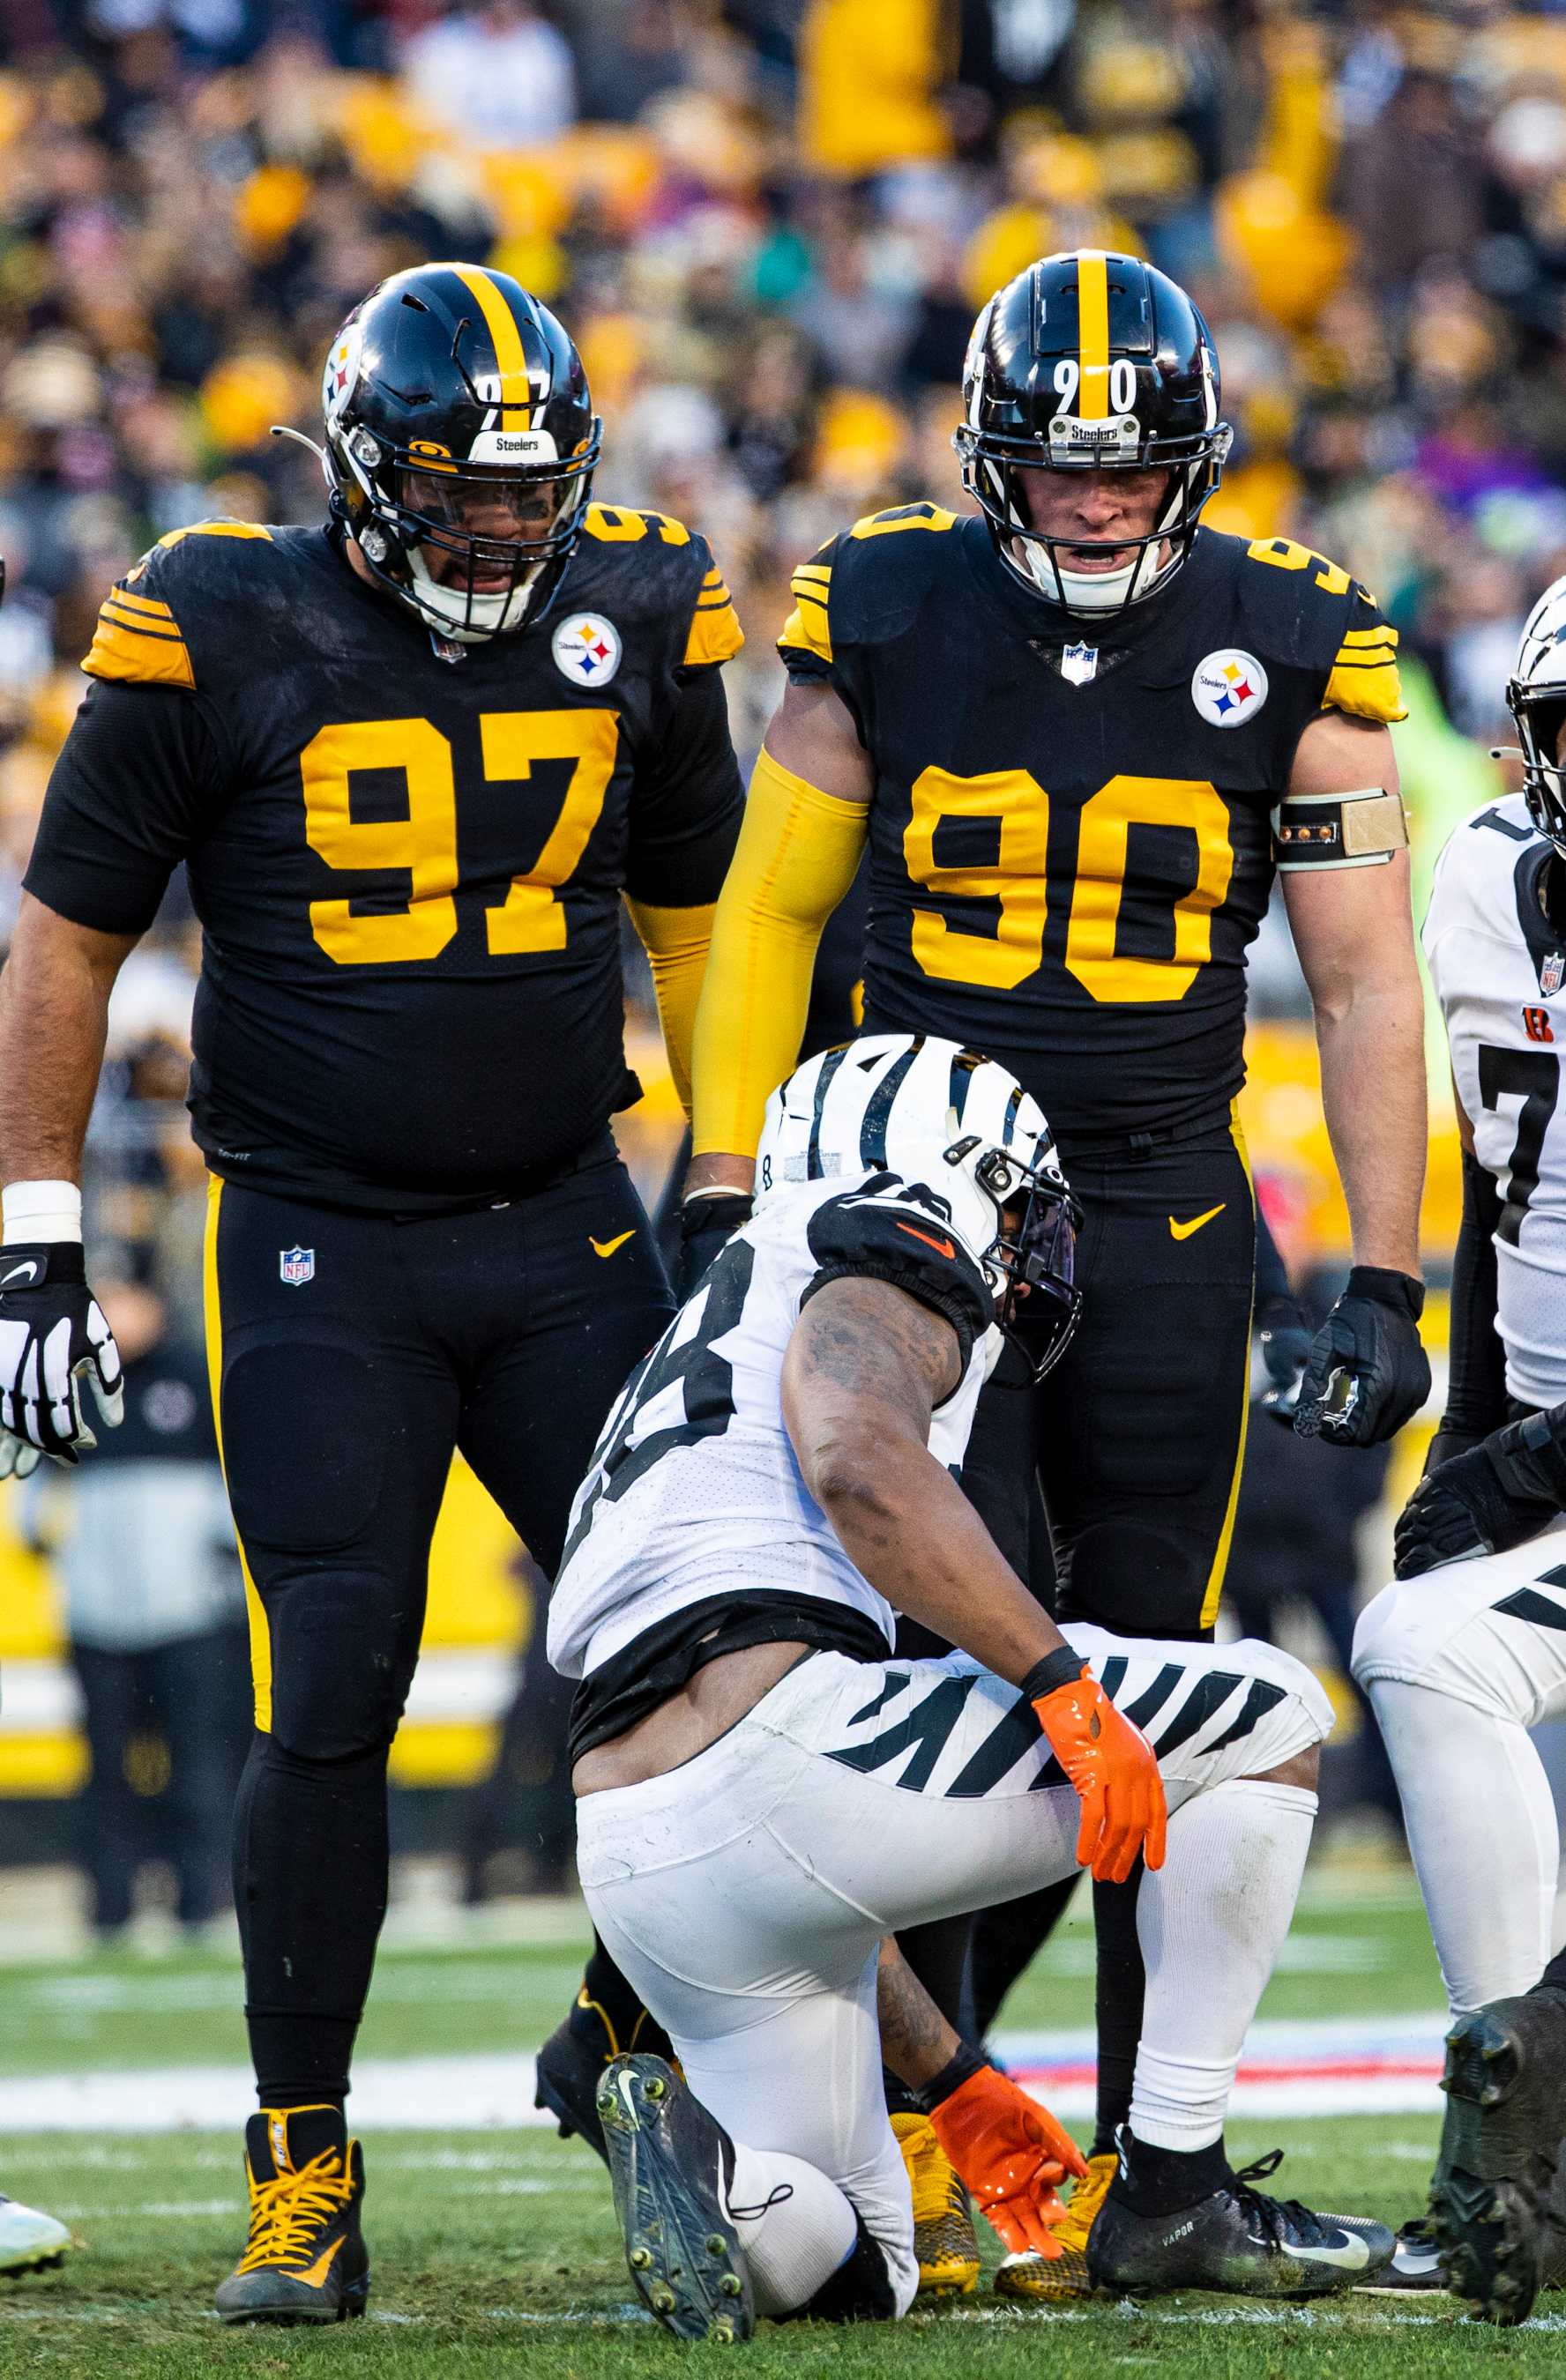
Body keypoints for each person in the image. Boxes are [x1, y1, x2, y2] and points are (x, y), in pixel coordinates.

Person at [669, 248, 1431, 2293]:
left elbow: (1367, 994)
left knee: (1153, 1680)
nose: (1098, 503)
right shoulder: (893, 601)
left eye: (1132, 467)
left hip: (1173, 1212)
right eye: (1063, 465)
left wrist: (1384, 1268)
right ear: (997, 451)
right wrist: (723, 1170)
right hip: (923, 1203)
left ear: (1191, 457)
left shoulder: (1297, 638)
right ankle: (933, 2126)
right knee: (954, 1672)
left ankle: (1144, 2165)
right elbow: (766, 907)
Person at [0, 261, 745, 2324]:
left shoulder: (642, 601)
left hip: (567, 1219)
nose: (507, 534)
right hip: (318, 1232)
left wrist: (741, 1167)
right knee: (332, 1674)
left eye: (536, 497)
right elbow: (67, 935)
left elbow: (694, 913)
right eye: (460, 494)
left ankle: (631, 2041)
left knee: (701, 1659)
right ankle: (301, 2166)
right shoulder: (218, 612)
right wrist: (39, 1220)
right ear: (357, 473)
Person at [549, 1031, 1394, 2337]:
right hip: (776, 1751)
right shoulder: (893, 1220)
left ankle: (717, 2170)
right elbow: (859, 1459)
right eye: (1015, 1197)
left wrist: (950, 2080)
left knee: (863, 2266)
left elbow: (793, 1848)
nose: (1026, 1235)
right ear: (954, 1169)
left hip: (644, 1848)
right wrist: (1058, 1684)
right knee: (1271, 1712)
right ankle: (1174, 2184)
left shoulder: (715, 1306)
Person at [1353, 560, 1566, 2322]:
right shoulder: (1483, 884)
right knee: (1424, 1643)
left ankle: (1548, 2062)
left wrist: (1536, 1466)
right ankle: (1517, 2154)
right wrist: (1479, 1435)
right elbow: (1512, 1207)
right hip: (1562, 1457)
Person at [25, 1261, 250, 1940]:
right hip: (97, 1616)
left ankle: (202, 1900)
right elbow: (34, 1494)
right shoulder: (69, 1389)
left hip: (190, 1616)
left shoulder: (194, 1374)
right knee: (106, 1770)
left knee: (199, 1763)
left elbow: (234, 1483)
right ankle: (111, 1906)